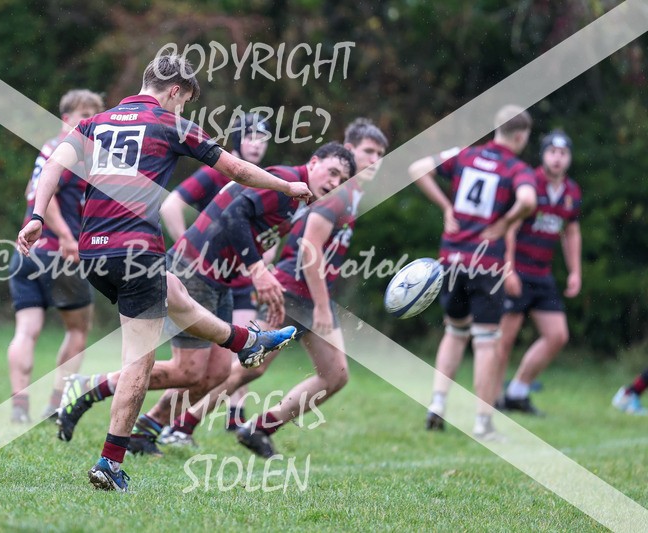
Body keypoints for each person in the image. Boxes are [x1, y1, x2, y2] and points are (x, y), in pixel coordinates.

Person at [16, 54, 311, 492]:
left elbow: (55, 165)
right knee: (141, 358)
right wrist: (286, 186)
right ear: (175, 90)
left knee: (173, 291)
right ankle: (110, 461)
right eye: (185, 101)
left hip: (92, 251)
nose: (184, 109)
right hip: (135, 252)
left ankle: (246, 342)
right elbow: (235, 169)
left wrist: (37, 215)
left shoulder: (96, 121)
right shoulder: (170, 124)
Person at [56, 141, 354, 457]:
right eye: (332, 172)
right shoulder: (283, 180)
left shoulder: (299, 199)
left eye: (341, 180)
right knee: (189, 371)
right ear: (314, 161)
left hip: (220, 280)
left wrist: (260, 270)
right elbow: (234, 215)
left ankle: (148, 429)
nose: (334, 183)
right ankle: (90, 388)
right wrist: (257, 270)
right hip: (193, 271)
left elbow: (252, 229)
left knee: (217, 374)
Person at [160, 119, 387, 457]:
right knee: (246, 366)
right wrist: (316, 303)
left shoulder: (345, 193)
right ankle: (177, 424)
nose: (376, 160)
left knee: (334, 374)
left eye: (382, 154)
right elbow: (308, 248)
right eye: (369, 152)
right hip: (296, 291)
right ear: (349, 151)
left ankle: (259, 427)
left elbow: (280, 228)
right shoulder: (334, 193)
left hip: (310, 293)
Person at [408, 105, 537, 440]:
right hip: (486, 263)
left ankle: (437, 402)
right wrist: (506, 222)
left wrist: (446, 206)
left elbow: (418, 168)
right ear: (521, 136)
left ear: (496, 128)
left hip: (452, 260)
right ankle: (482, 422)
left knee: (454, 331)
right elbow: (527, 199)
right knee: (485, 342)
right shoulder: (516, 168)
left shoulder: (465, 155)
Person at [160, 113, 272, 431]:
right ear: (237, 139)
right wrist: (188, 251)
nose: (256, 144)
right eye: (250, 136)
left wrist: (260, 266)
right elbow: (170, 205)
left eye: (262, 138)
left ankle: (235, 415)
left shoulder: (262, 178)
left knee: (246, 348)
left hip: (238, 280)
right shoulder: (217, 173)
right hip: (203, 280)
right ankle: (164, 421)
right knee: (195, 364)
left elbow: (266, 234)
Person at [6, 89, 104, 424]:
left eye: (95, 116)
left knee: (26, 330)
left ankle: (19, 407)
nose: (90, 123)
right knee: (79, 329)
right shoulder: (70, 152)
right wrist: (66, 236)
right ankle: (54, 404)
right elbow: (48, 200)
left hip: (24, 251)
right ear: (65, 119)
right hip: (59, 252)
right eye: (84, 116)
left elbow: (30, 192)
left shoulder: (48, 149)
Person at [496, 130, 582, 415]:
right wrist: (508, 270)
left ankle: (517, 392)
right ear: (543, 155)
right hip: (517, 271)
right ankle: (491, 399)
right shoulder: (528, 183)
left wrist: (575, 271)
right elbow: (510, 227)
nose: (557, 159)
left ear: (569, 158)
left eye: (563, 153)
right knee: (504, 340)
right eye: (552, 152)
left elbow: (571, 231)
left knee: (557, 336)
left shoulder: (571, 192)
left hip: (542, 274)